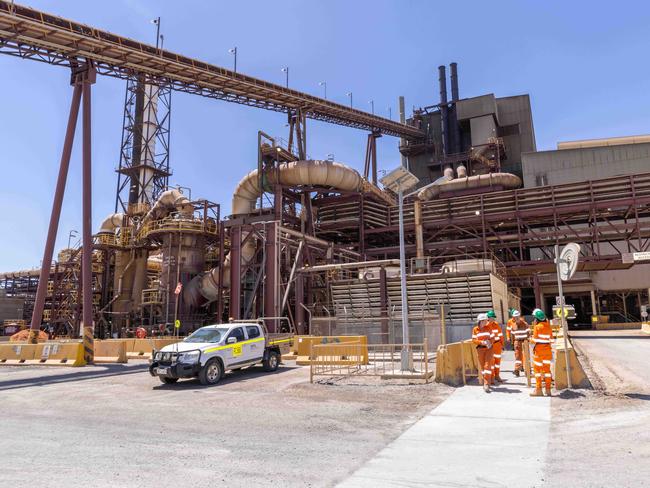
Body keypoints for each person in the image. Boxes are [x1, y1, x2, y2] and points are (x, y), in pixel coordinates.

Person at [530, 308, 553, 397]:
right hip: (547, 351)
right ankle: (548, 390)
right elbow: (551, 340)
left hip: (539, 351)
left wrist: (530, 339)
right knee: (547, 371)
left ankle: (538, 390)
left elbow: (534, 340)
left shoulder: (537, 327)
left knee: (538, 371)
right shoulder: (548, 327)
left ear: (537, 319)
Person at [472, 313, 495, 393]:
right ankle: (488, 379)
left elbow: (493, 338)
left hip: (489, 349)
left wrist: (489, 342)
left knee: (487, 365)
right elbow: (474, 340)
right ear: (480, 321)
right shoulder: (475, 329)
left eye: (486, 320)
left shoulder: (489, 328)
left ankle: (486, 384)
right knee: (482, 367)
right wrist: (482, 342)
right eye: (485, 321)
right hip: (480, 349)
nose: (486, 322)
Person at [509, 310, 530, 377]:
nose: (516, 318)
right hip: (517, 342)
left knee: (526, 356)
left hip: (525, 342)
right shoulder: (513, 325)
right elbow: (512, 335)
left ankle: (528, 370)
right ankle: (517, 370)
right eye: (515, 317)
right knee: (518, 357)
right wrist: (512, 343)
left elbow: (528, 333)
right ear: (513, 318)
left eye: (517, 316)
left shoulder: (525, 324)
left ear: (519, 316)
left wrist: (528, 341)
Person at [486, 310, 504, 383]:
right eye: (492, 318)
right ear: (488, 318)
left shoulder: (496, 325)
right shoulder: (485, 326)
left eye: (494, 318)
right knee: (491, 362)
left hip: (497, 345)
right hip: (490, 346)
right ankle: (492, 377)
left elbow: (500, 335)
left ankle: (497, 375)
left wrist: (502, 344)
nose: (493, 319)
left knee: (497, 362)